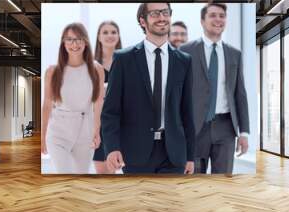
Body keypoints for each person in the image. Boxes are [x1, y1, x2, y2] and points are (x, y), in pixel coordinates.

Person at [101, 3, 195, 174]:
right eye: (155, 13)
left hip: (174, 154)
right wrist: (112, 147)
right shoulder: (124, 59)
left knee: (169, 200)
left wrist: (190, 156)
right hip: (135, 152)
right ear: (142, 21)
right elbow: (111, 111)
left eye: (165, 12)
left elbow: (187, 112)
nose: (161, 17)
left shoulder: (184, 61)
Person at [180, 3, 250, 174]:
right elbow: (179, 93)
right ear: (202, 21)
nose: (218, 19)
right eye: (213, 15)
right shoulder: (185, 51)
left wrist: (244, 132)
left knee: (223, 181)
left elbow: (240, 94)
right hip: (195, 127)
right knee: (194, 182)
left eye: (222, 15)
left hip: (225, 127)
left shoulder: (235, 54)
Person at [41, 22, 105, 174]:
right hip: (58, 131)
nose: (74, 44)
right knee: (64, 174)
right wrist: (42, 136)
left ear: (85, 42)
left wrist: (97, 130)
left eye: (78, 39)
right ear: (63, 43)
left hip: (85, 129)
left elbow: (98, 102)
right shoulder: (52, 71)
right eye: (69, 39)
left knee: (80, 176)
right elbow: (47, 104)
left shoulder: (96, 69)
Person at [93, 21, 122, 174]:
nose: (110, 35)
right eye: (105, 32)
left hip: (123, 123)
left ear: (118, 36)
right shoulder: (91, 65)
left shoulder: (127, 62)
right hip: (99, 124)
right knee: (103, 174)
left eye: (113, 32)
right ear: (98, 37)